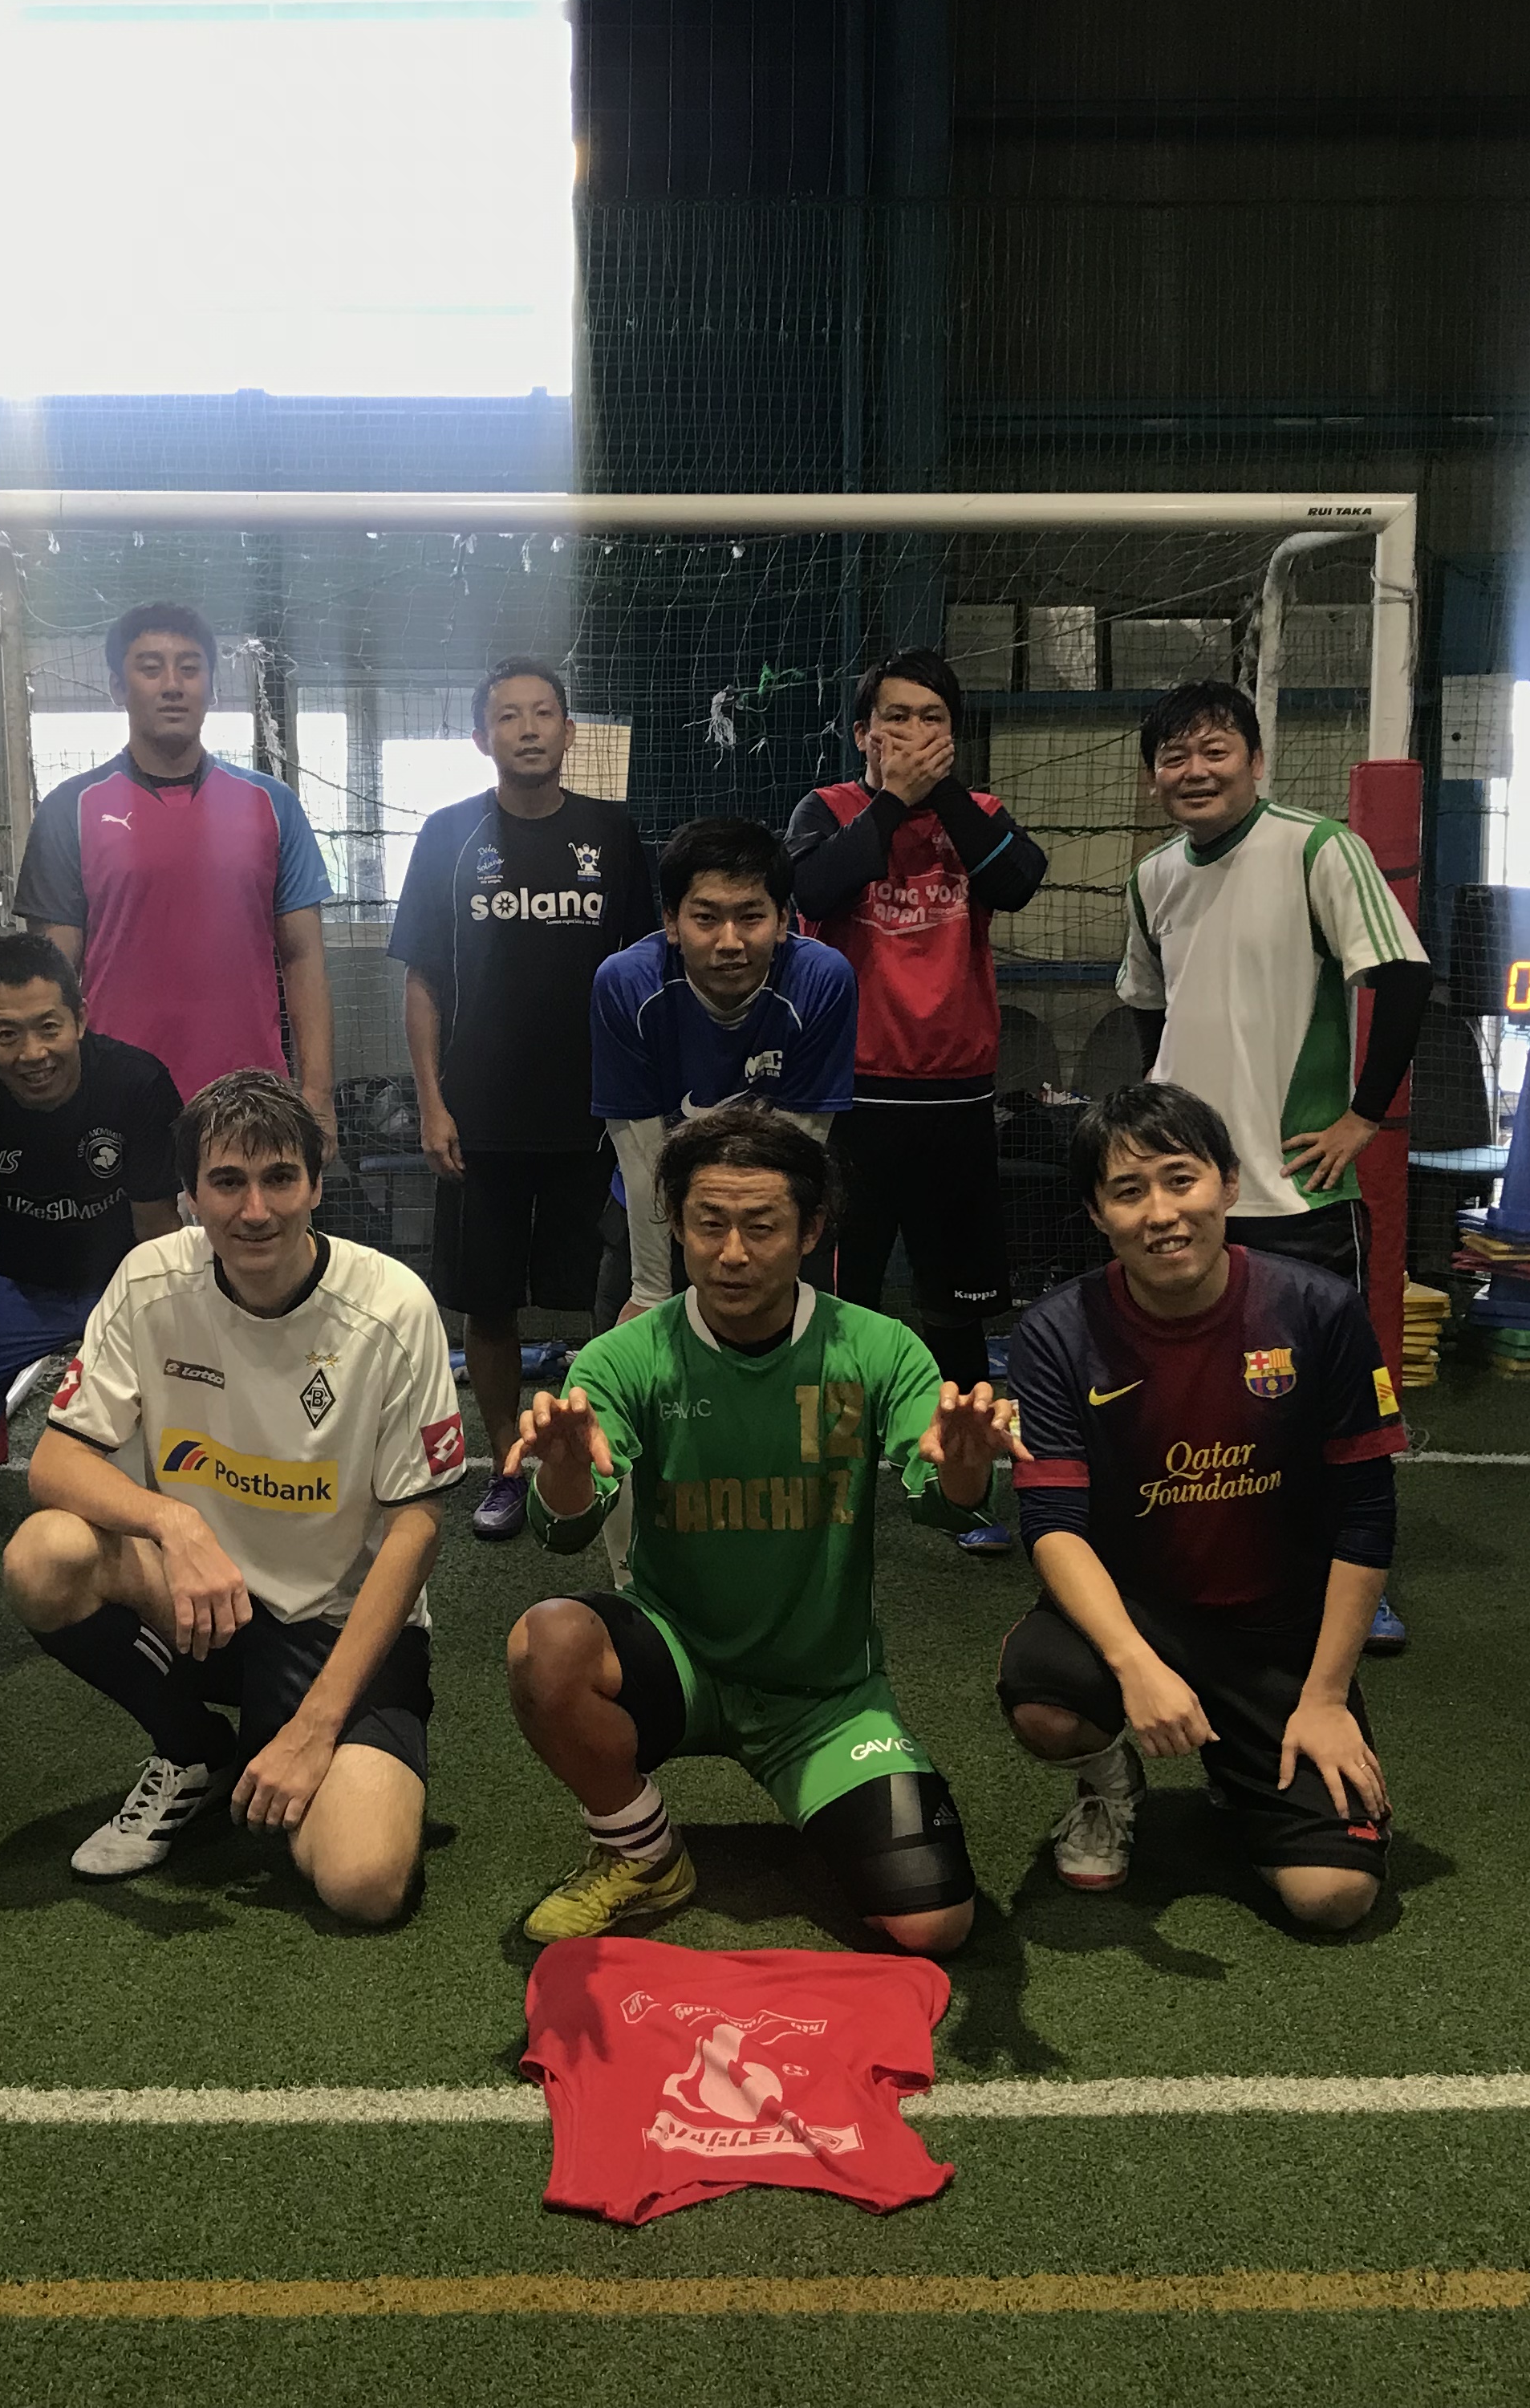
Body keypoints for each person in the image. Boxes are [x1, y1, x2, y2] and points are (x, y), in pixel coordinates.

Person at [501, 1111, 1021, 1953]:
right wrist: (561, 1471)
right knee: (547, 1642)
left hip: (824, 1695)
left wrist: (965, 1466)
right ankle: (643, 1853)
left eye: (762, 1226)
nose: (732, 1253)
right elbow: (564, 1532)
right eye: (709, 1224)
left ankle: (837, 1788)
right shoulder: (625, 1357)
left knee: (934, 1924)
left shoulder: (879, 1349)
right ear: (676, 1226)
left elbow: (947, 1506)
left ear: (811, 1230)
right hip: (678, 1659)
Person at [1, 1072, 468, 1923]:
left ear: (316, 1186)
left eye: (280, 1178)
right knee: (46, 1555)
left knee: (363, 1884)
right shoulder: (149, 1279)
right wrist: (172, 1522)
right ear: (190, 1195)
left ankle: (294, 1740)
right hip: (206, 1605)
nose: (256, 1211)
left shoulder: (394, 1307)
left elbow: (418, 1528)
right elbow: (56, 1462)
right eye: (227, 1182)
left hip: (338, 1628)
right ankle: (193, 1752)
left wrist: (315, 1728)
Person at [996, 1083, 1407, 1931]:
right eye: (1128, 1191)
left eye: (1180, 1180)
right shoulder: (1056, 1332)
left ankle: (1244, 1774)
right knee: (1048, 1700)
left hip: (1277, 1635)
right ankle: (1109, 1783)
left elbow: (1366, 1514)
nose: (1160, 1214)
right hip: (1140, 1616)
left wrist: (1327, 1696)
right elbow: (1052, 1524)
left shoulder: (1318, 1309)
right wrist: (1135, 1665)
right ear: (1097, 1214)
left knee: (1333, 1899)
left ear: (1228, 1183)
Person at [1114, 678, 1430, 1653]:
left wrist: (1362, 1117)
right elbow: (1147, 1005)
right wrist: (1160, 1138)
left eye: (1215, 750)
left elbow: (1404, 975)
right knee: (1188, 1399)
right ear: (1153, 776)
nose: (1194, 771)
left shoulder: (1319, 849)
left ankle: (1354, 1578)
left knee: (1329, 1404)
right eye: (1174, 756)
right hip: (1186, 1204)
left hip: (1298, 1192)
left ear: (1256, 761)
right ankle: (1207, 1566)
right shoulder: (1153, 877)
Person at [787, 646, 1049, 1556]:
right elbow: (812, 889)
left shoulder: (979, 816)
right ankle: (829, 1483)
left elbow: (1018, 882)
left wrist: (939, 797)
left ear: (952, 734)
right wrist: (895, 800)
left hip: (956, 1101)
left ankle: (964, 1485)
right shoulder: (828, 810)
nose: (912, 732)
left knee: (957, 1310)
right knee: (834, 1307)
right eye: (894, 717)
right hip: (849, 1101)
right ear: (864, 733)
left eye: (931, 718)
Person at [389, 657, 654, 1545]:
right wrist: (433, 1104)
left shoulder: (613, 834)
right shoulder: (448, 835)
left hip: (597, 1119)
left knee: (606, 1301)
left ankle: (593, 1455)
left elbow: (650, 973)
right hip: (481, 1120)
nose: (529, 729)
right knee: (489, 1301)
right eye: (509, 716)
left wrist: (646, 1106)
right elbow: (423, 982)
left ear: (570, 732)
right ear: (482, 737)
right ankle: (507, 1465)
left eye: (544, 714)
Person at [0, 932, 185, 1597]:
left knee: (193, 1413)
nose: (33, 1053)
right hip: (11, 1285)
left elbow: (158, 1231)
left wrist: (178, 1349)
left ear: (80, 1018)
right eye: (7, 1034)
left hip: (120, 1285)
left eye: (49, 1027)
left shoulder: (138, 1083)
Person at [12, 601, 338, 1152]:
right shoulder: (70, 809)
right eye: (150, 668)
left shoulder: (272, 805)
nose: (172, 685)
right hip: (112, 1101)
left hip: (248, 1101)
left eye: (189, 668)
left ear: (212, 688)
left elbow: (304, 957)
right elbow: (51, 979)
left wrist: (319, 1096)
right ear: (118, 687)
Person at [590, 815, 856, 1323]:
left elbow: (799, 1151)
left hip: (771, 1211)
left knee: (788, 1364)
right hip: (654, 1213)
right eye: (706, 918)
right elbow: (641, 1154)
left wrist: (768, 1261)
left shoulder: (823, 981)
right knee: (628, 1361)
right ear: (672, 922)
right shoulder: (625, 985)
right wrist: (650, 1290)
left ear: (783, 920)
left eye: (751, 917)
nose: (729, 941)